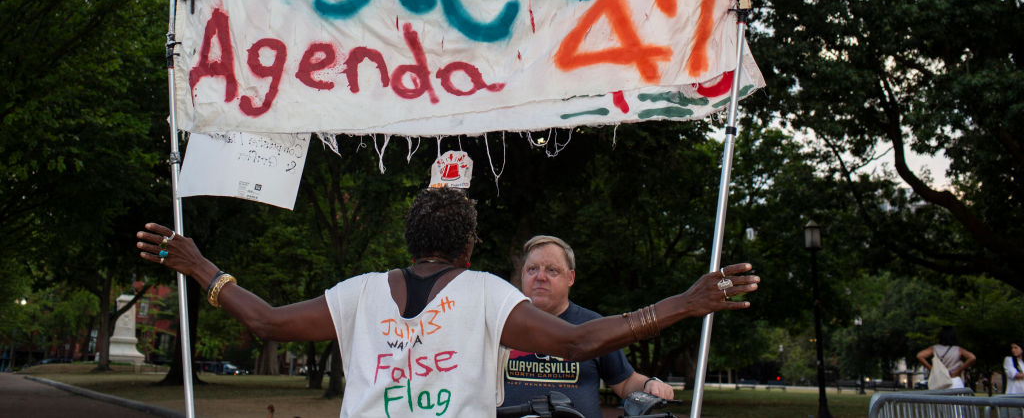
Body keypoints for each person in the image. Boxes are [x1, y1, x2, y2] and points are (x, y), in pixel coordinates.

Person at [138, 187, 759, 417]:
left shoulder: (358, 293)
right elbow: (577, 342)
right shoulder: (488, 291)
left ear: (410, 242)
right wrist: (685, 302)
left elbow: (265, 321)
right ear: (468, 247)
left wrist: (200, 266)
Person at [501, 235, 675, 418]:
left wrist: (649, 385)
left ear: (571, 277)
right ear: (522, 275)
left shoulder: (593, 326)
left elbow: (625, 382)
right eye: (532, 269)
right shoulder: (501, 323)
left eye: (552, 270)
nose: (540, 277)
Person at [1005, 341, 1024, 416]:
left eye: (1016, 347)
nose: (1013, 350)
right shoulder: (1009, 360)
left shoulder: (1022, 362)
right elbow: (1015, 375)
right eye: (1012, 348)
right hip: (1014, 395)